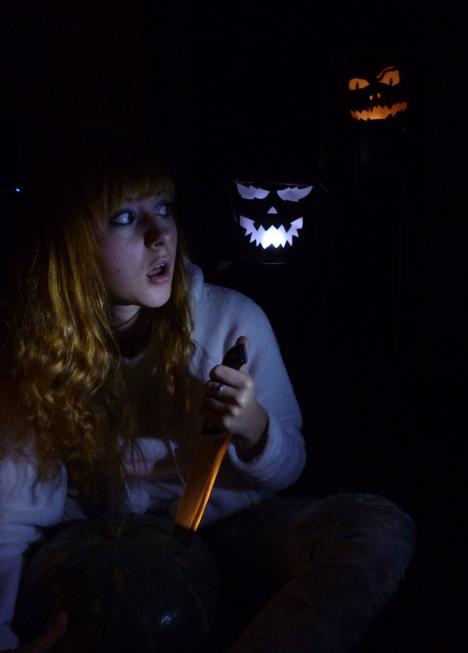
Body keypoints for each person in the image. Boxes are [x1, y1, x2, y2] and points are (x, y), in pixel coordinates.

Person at [0, 135, 415, 653]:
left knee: (376, 529)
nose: (160, 235)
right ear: (71, 241)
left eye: (164, 208)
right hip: (105, 540)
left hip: (227, 528)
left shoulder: (231, 321)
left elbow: (290, 467)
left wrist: (254, 428)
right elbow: (11, 517)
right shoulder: (36, 353)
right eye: (125, 217)